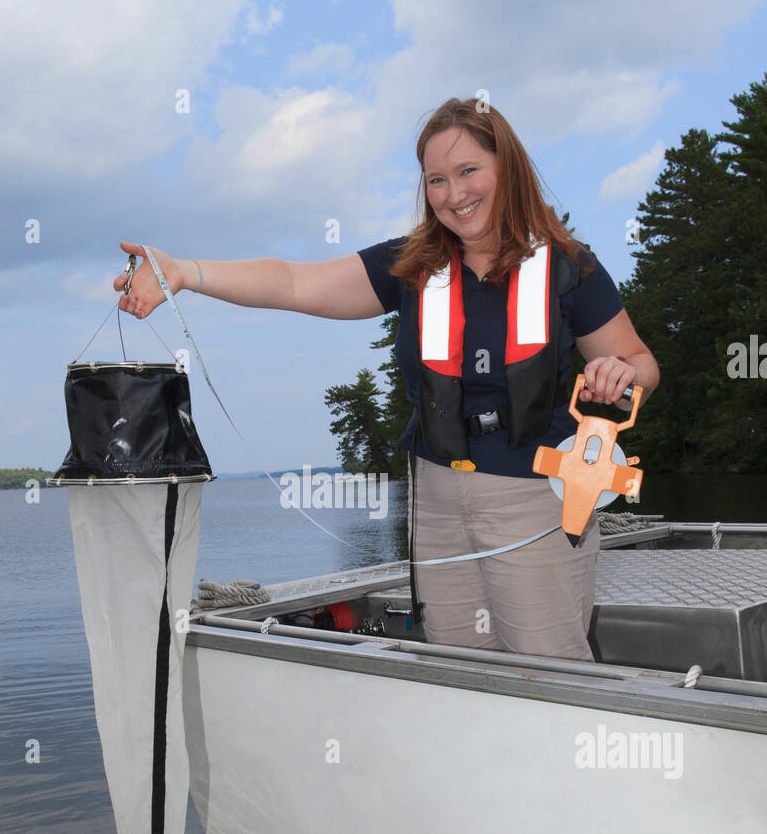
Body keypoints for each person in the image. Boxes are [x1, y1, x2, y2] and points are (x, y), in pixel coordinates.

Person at [114, 97, 659, 660]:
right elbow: (294, 283)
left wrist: (619, 371)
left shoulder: (572, 266)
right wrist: (183, 273)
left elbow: (642, 364)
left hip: (535, 499)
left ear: (507, 169)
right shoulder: (410, 265)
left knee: (550, 666)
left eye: (469, 171)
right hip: (437, 497)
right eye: (437, 180)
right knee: (459, 663)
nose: (455, 194)